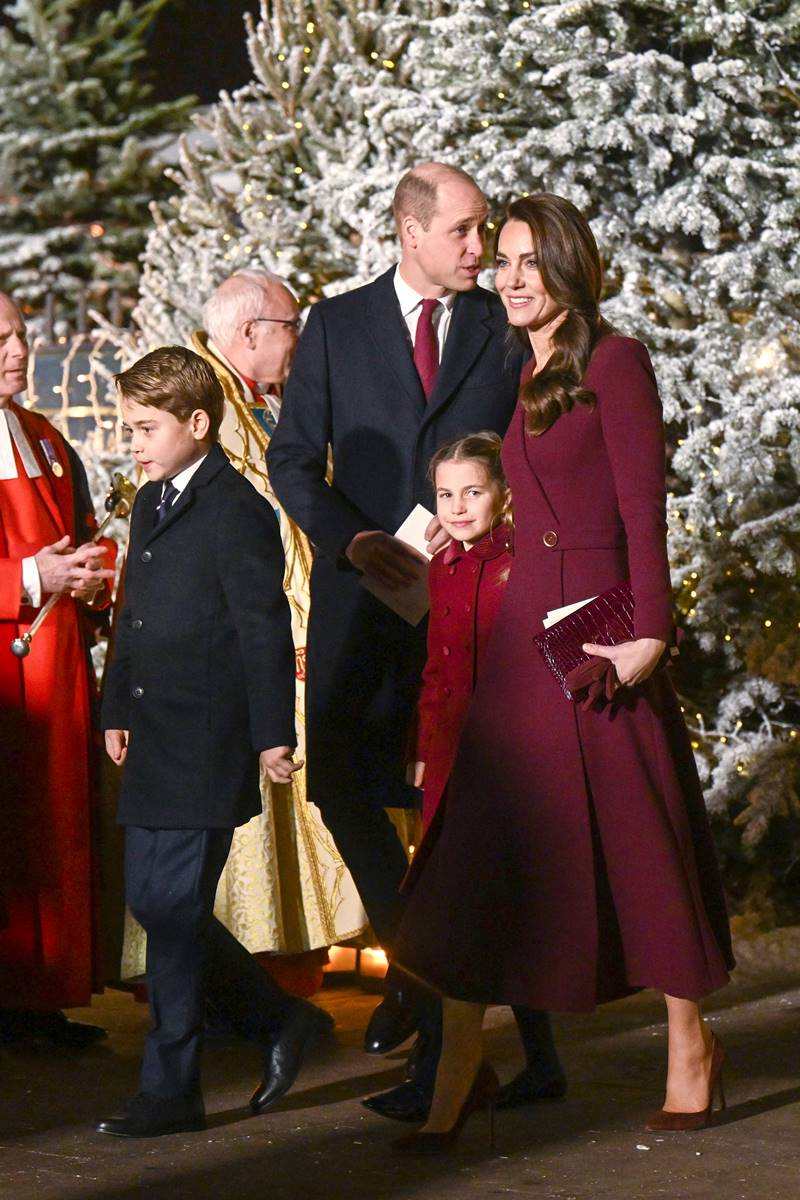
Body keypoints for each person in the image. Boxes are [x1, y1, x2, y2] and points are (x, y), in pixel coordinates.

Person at [392, 193, 735, 1153]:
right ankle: (462, 1071)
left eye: (526, 261)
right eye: (499, 261)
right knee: (468, 860)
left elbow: (640, 506)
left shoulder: (616, 361)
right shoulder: (525, 366)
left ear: (567, 267)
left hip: (596, 647)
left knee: (642, 849)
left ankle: (689, 1046)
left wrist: (650, 637)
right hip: (518, 652)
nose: (508, 277)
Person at [268, 161, 562, 1121]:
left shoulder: (500, 325)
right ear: (410, 232)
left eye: (486, 233)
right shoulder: (337, 325)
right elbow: (293, 459)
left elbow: (534, 447)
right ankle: (434, 997)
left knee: (486, 811)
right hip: (367, 603)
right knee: (347, 792)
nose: (484, 250)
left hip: (482, 605)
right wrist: (350, 537)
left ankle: (519, 1047)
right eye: (467, 232)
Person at [97, 347, 332, 1139]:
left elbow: (263, 628)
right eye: (129, 427)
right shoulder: (149, 502)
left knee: (173, 905)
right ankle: (280, 1018)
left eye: (145, 427)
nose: (132, 441)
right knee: (154, 903)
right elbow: (134, 611)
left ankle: (172, 1090)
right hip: (152, 731)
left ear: (197, 425)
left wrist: (272, 734)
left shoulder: (238, 510)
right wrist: (114, 704)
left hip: (209, 737)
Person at [121, 270, 368, 993]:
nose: (301, 340)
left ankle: (276, 994)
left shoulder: (260, 401)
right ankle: (259, 998)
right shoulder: (208, 405)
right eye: (293, 325)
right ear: (251, 332)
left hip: (282, 632)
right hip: (231, 658)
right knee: (191, 873)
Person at [411, 431, 565, 1107]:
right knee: (462, 906)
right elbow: (436, 667)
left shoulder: (522, 561)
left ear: (502, 493)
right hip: (448, 756)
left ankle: (502, 1067)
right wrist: (421, 748)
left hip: (505, 758)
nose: (458, 506)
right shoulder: (440, 566)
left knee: (502, 905)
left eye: (473, 491)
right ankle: (497, 1064)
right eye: (446, 494)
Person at [0, 291, 115, 1047]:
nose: (18, 350)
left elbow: (79, 533)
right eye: (1, 338)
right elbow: (34, 566)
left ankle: (44, 996)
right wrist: (31, 579)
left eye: (19, 335)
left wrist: (98, 570)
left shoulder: (43, 436)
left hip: (60, 669)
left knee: (60, 829)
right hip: (9, 683)